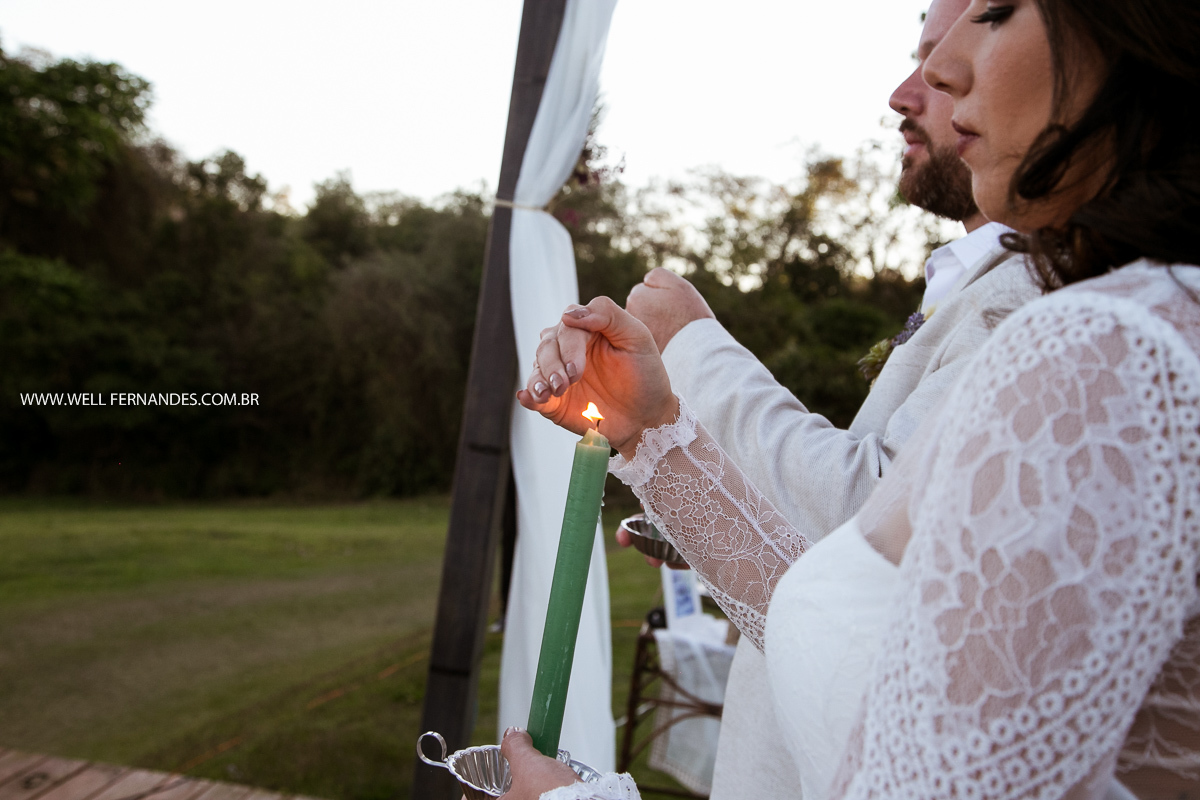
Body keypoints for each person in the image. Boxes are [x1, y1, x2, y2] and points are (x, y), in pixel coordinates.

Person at [506, 0, 1200, 795]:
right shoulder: (1146, 320)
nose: (933, 75)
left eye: (999, 11)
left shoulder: (1110, 351)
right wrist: (654, 435)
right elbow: (869, 651)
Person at [617, 0, 1032, 795]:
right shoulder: (987, 283)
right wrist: (701, 515)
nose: (911, 90)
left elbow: (861, 529)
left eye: (967, 43)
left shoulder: (1039, 301)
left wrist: (694, 348)